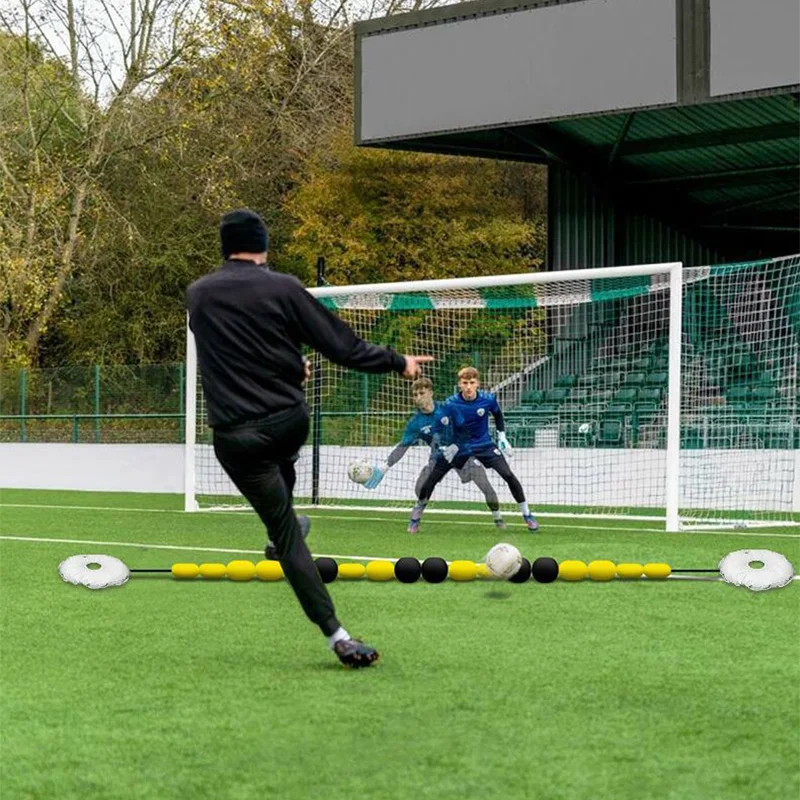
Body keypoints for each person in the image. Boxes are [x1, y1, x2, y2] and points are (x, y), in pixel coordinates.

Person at [186, 208, 432, 668]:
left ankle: (335, 631)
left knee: (284, 533)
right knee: (283, 482)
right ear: (264, 247)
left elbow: (233, 353)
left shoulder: (198, 294)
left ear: (225, 247)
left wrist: (284, 365)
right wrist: (398, 361)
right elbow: (342, 347)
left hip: (234, 439)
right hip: (286, 423)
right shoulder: (283, 288)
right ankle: (290, 540)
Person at [407, 366, 539, 534]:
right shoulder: (451, 403)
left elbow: (498, 415)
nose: (468, 387)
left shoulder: (488, 399)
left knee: (508, 474)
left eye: (471, 382)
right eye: (465, 383)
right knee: (431, 479)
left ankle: (527, 514)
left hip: (484, 445)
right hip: (458, 447)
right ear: (459, 384)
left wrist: (502, 437)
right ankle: (416, 515)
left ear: (477, 384)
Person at [363, 377, 506, 529]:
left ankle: (498, 518)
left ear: (430, 393)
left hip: (462, 454)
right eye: (415, 395)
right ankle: (416, 518)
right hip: (438, 458)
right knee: (420, 488)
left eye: (422, 393)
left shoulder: (448, 408)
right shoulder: (415, 423)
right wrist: (384, 467)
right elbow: (402, 447)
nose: (418, 398)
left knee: (484, 484)